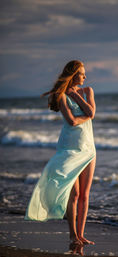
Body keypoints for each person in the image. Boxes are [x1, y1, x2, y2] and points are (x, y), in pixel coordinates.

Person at [24, 60, 96, 246]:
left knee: (85, 195)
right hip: (69, 148)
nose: (85, 76)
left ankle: (81, 235)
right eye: (81, 73)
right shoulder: (61, 96)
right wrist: (85, 114)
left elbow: (91, 112)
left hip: (88, 148)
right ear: (73, 74)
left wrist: (78, 96)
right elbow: (72, 121)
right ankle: (73, 235)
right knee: (73, 194)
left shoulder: (88, 91)